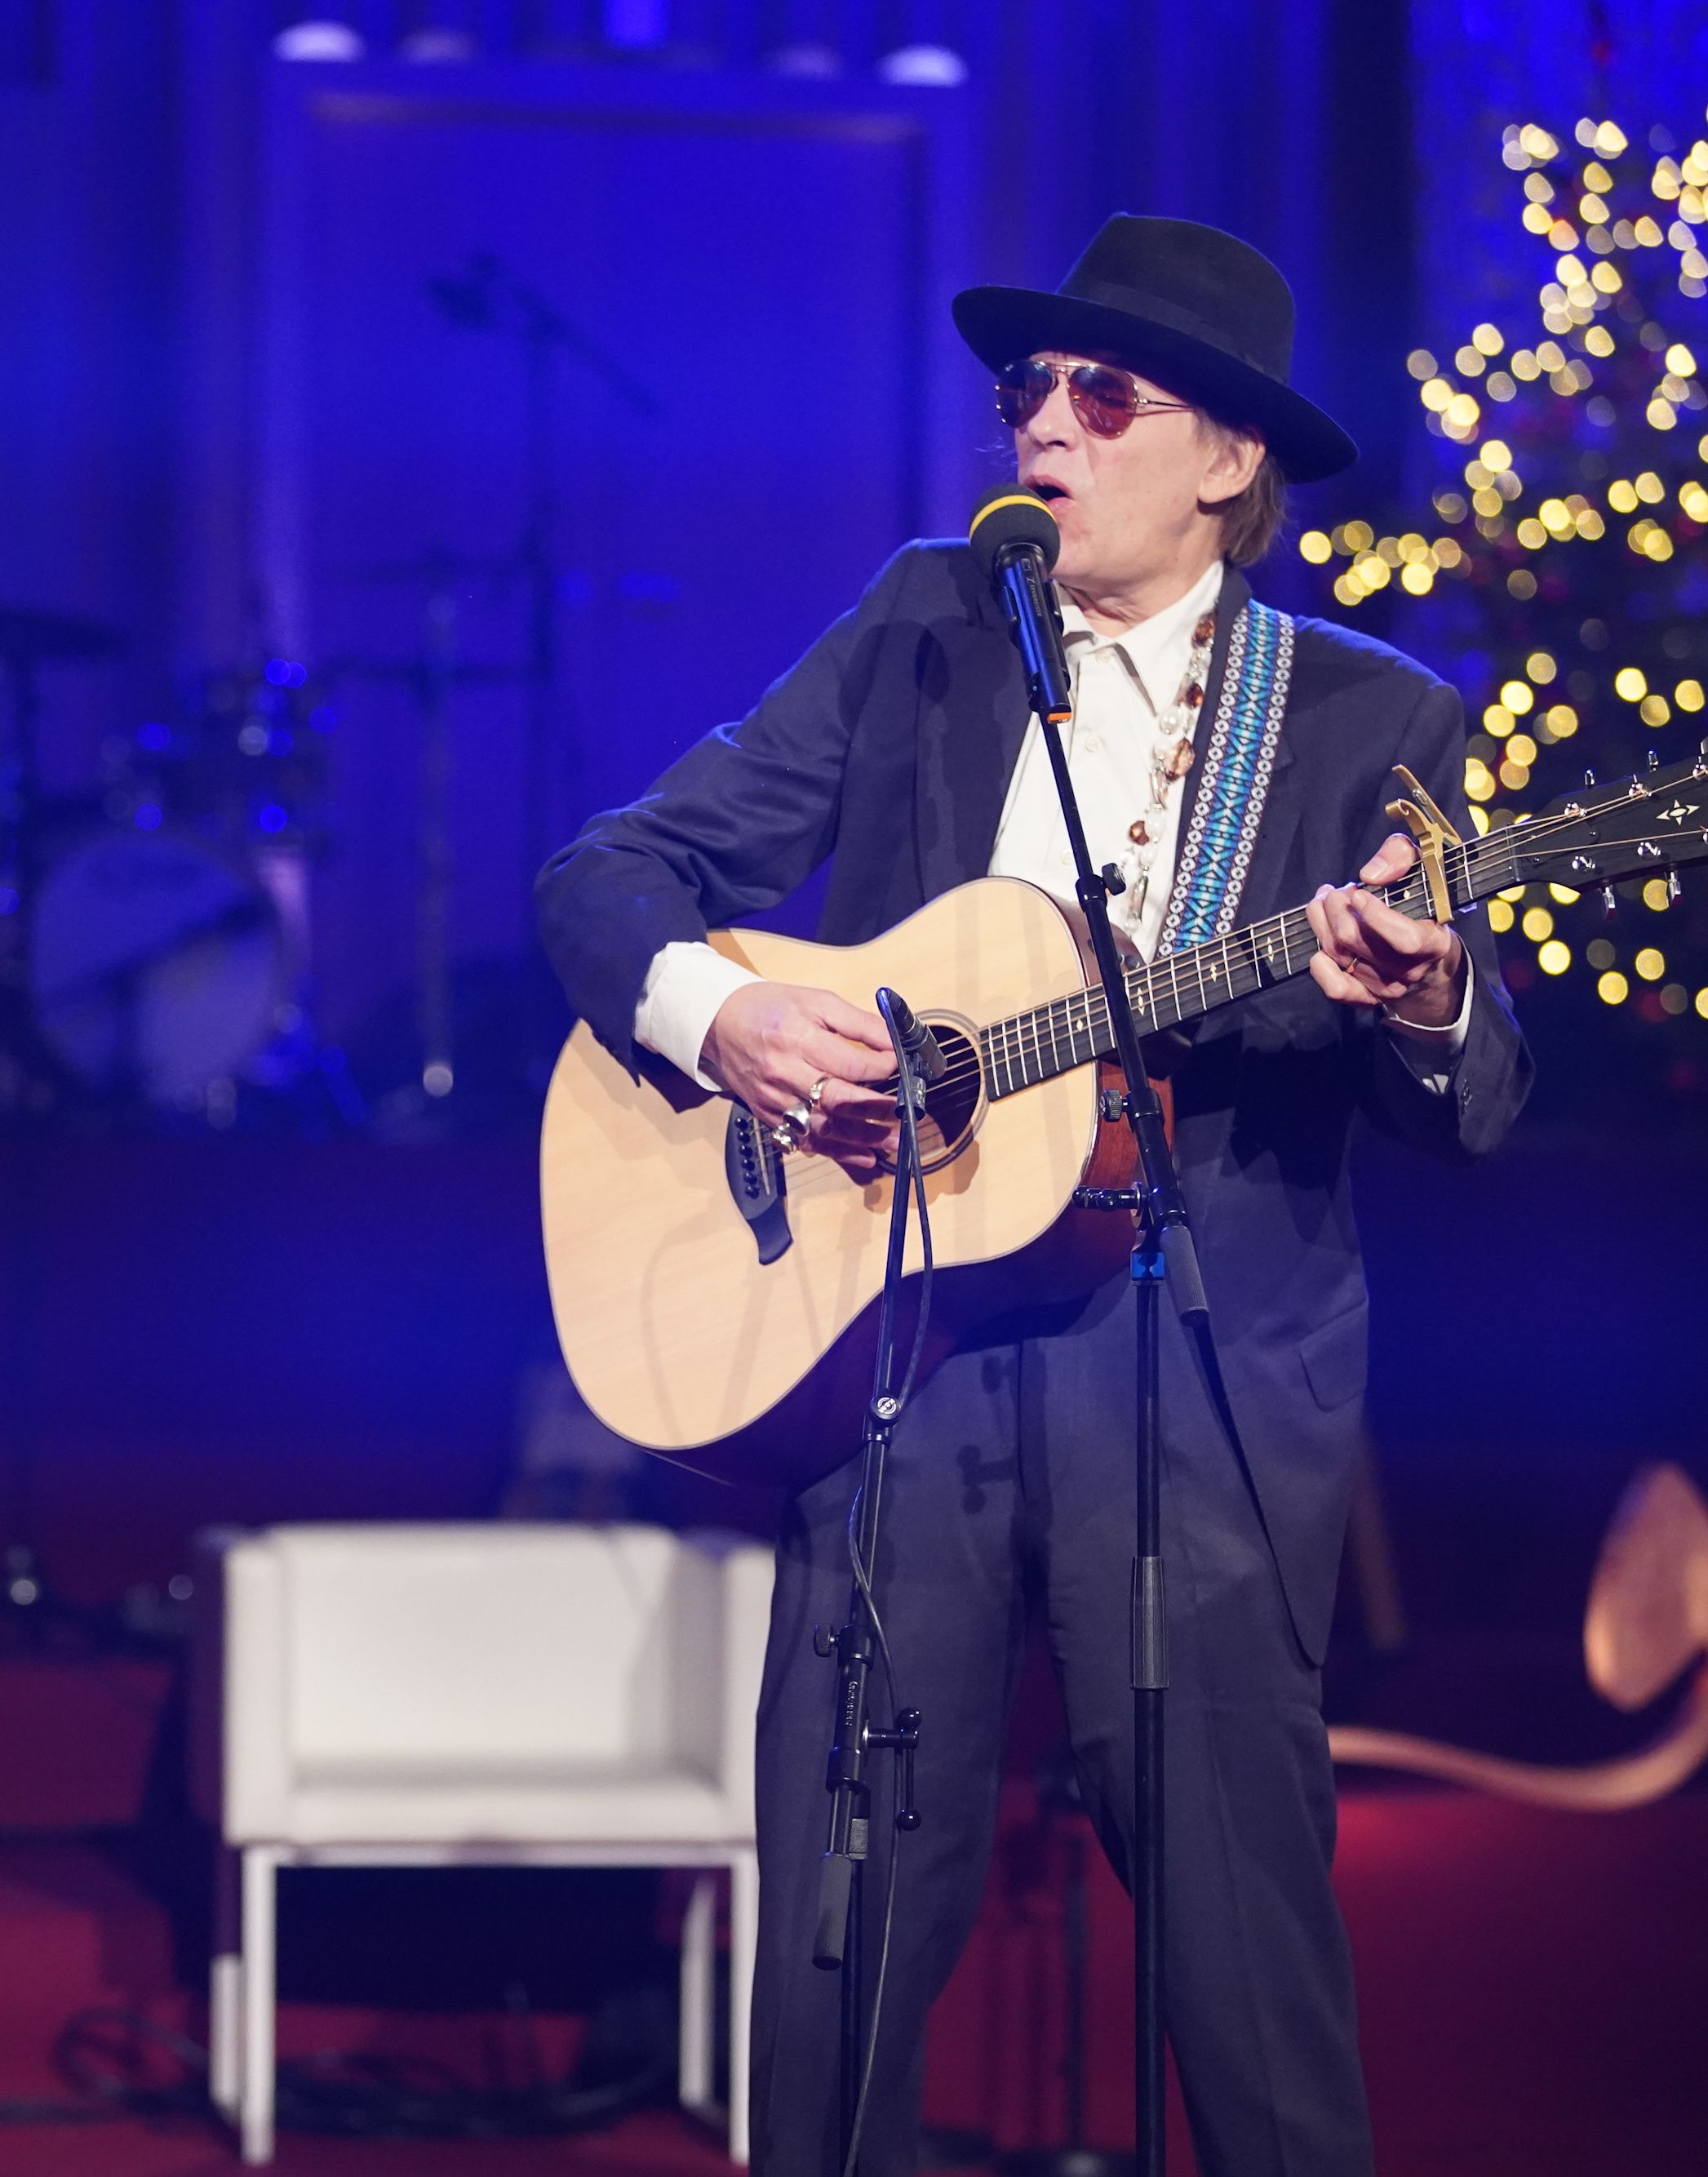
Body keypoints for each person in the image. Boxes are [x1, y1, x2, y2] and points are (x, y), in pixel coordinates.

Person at [535, 215, 1532, 2175]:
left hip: (1204, 1368)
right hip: (898, 1334)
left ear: (1228, 459)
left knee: (1238, 1922)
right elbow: (610, 870)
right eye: (1024, 391)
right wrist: (721, 1015)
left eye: (1099, 394)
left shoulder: (1364, 721)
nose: (1043, 428)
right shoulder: (931, 618)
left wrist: (1423, 997)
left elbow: (1478, 1097)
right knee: (840, 1891)